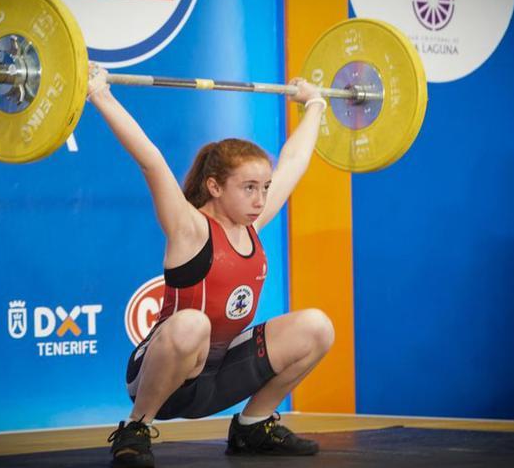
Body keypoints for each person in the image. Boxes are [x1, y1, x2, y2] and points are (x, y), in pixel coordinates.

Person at [87, 63, 335, 468]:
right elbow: (150, 161)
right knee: (192, 323)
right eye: (249, 188)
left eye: (265, 189)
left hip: (219, 375)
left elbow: (294, 162)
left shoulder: (251, 224)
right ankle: (135, 428)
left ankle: (252, 426)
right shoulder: (189, 227)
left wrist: (315, 104)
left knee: (318, 327)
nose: (260, 200)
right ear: (215, 187)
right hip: (168, 378)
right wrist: (99, 94)